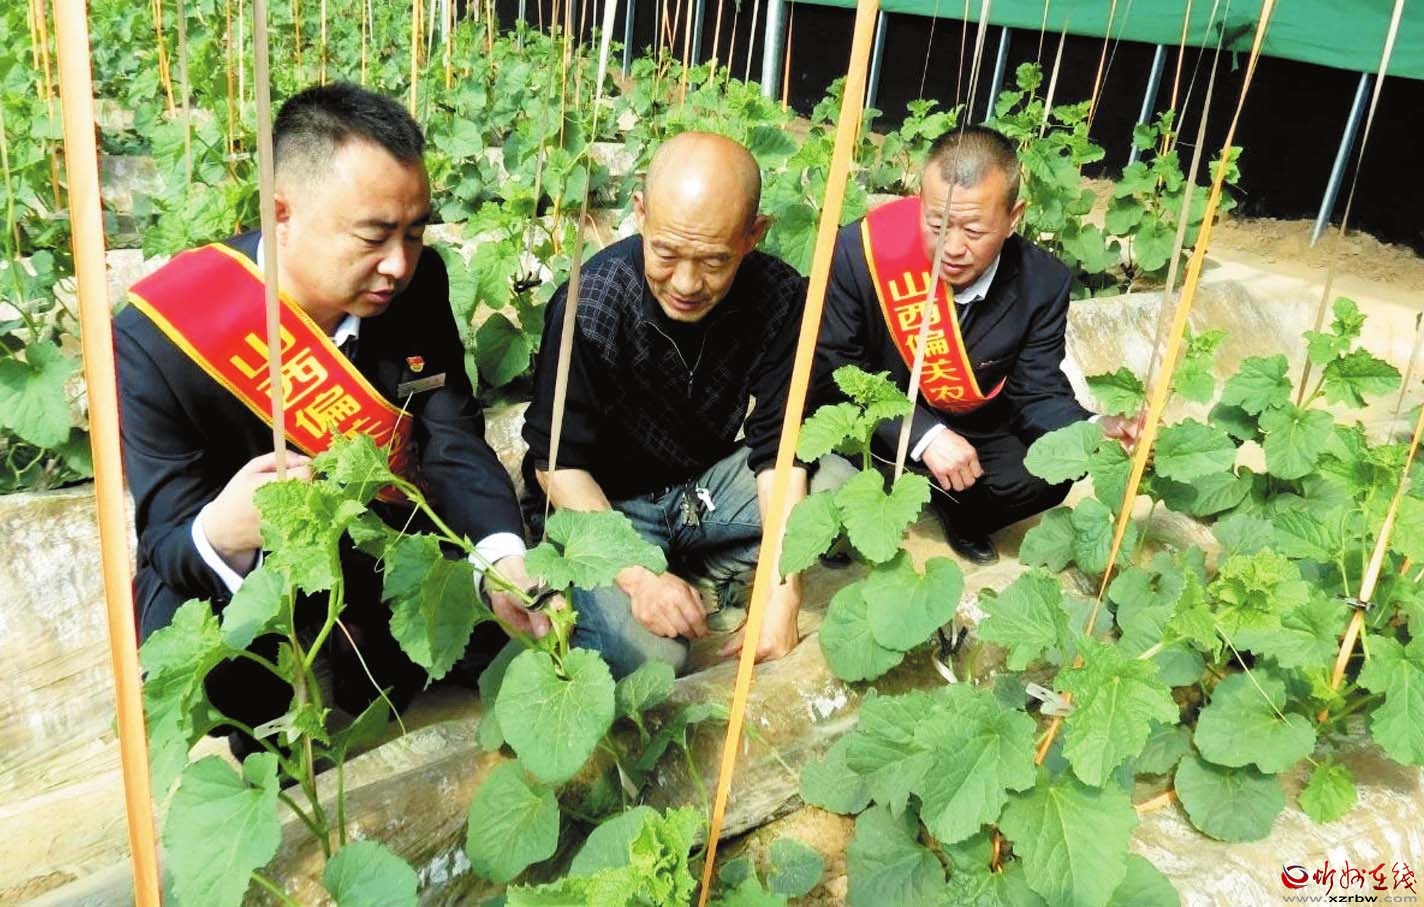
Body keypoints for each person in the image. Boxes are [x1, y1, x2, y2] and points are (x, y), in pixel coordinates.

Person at [115, 83, 547, 740]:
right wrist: (223, 531)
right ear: (281, 213)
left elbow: (450, 434)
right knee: (228, 683)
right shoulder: (161, 339)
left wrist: (501, 556)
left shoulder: (419, 284)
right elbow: (168, 534)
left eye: (415, 232)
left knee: (460, 643)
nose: (398, 264)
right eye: (374, 235)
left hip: (375, 538)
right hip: (251, 569)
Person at [521, 132, 810, 678]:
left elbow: (780, 449)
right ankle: (668, 577)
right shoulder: (591, 305)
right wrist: (637, 573)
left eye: (715, 261)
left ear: (754, 235)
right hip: (606, 505)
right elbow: (556, 464)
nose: (686, 283)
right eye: (666, 253)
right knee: (656, 660)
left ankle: (699, 571)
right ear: (640, 213)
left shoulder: (779, 296)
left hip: (697, 490)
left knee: (831, 489)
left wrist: (782, 592)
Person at [814, 125, 1138, 565]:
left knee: (1055, 466)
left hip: (970, 427)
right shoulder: (861, 252)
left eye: (973, 230)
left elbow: (1036, 391)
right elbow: (835, 364)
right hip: (872, 423)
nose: (951, 248)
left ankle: (959, 512)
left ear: (1013, 217)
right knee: (823, 489)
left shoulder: (1042, 283)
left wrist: (1094, 427)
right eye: (937, 224)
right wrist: (924, 435)